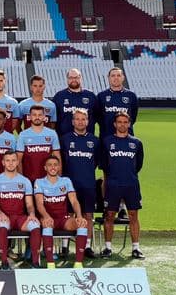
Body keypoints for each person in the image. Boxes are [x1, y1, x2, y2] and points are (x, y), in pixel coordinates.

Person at [100, 112, 145, 259]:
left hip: (131, 185)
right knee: (110, 216)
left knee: (133, 215)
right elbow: (105, 166)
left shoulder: (137, 143)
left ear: (129, 124)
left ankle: (136, 248)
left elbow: (138, 165)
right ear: (115, 124)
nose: (122, 125)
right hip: (113, 185)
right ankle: (107, 248)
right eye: (119, 122)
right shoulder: (107, 142)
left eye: (125, 122)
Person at [34, 156, 90, 269]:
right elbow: (39, 204)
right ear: (45, 168)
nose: (53, 167)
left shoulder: (66, 181)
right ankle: (50, 263)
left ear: (59, 167)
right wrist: (46, 217)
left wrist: (79, 216)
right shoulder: (39, 182)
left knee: (82, 224)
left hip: (63, 219)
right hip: (48, 218)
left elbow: (74, 201)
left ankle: (78, 263)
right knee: (47, 225)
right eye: (50, 165)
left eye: (55, 164)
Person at [60, 108, 102, 258]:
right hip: (70, 184)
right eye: (77, 119)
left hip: (88, 184)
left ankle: (87, 246)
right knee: (68, 214)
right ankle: (64, 246)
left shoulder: (94, 141)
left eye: (83, 119)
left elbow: (96, 161)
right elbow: (61, 162)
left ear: (88, 121)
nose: (80, 122)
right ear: (73, 122)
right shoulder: (65, 139)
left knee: (88, 215)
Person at [0, 151, 41, 269]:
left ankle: (35, 262)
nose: (11, 163)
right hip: (4, 217)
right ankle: (4, 262)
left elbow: (29, 204)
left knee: (35, 225)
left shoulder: (25, 181)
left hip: (19, 218)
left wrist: (32, 214)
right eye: (7, 160)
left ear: (18, 162)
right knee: (2, 226)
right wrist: (0, 213)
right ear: (3, 162)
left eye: (13, 160)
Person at [16, 105, 61, 183]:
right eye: (34, 115)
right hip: (28, 179)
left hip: (48, 179)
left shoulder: (52, 134)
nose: (37, 117)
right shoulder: (23, 135)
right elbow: (18, 159)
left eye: (40, 115)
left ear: (44, 117)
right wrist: (21, 178)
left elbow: (57, 156)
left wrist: (59, 177)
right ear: (29, 116)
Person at [53, 68, 99, 137]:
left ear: (80, 78)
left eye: (76, 77)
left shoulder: (90, 96)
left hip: (87, 140)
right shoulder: (59, 96)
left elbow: (96, 116)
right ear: (67, 79)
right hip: (64, 140)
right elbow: (54, 118)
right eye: (71, 77)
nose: (73, 80)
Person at [96, 67, 139, 139]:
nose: (116, 78)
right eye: (113, 76)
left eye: (118, 75)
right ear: (109, 78)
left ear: (123, 77)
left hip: (126, 137)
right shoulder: (101, 96)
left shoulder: (131, 95)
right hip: (106, 137)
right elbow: (98, 117)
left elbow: (133, 117)